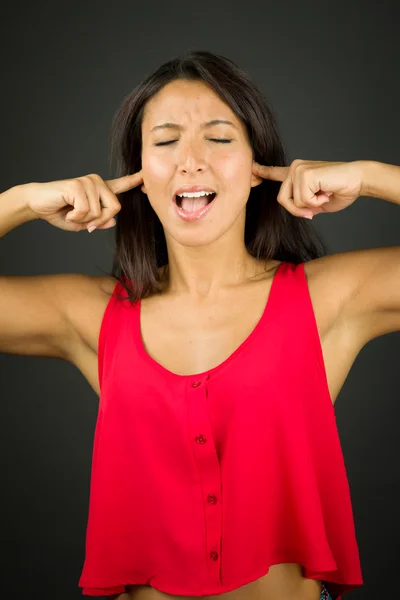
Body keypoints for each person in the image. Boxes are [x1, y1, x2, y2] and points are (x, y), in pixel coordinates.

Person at [1, 50, 399, 600]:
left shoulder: (328, 300)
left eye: (218, 137)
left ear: (258, 164)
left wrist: (370, 177)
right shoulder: (96, 316)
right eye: (165, 142)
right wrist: (20, 201)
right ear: (137, 173)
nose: (190, 161)